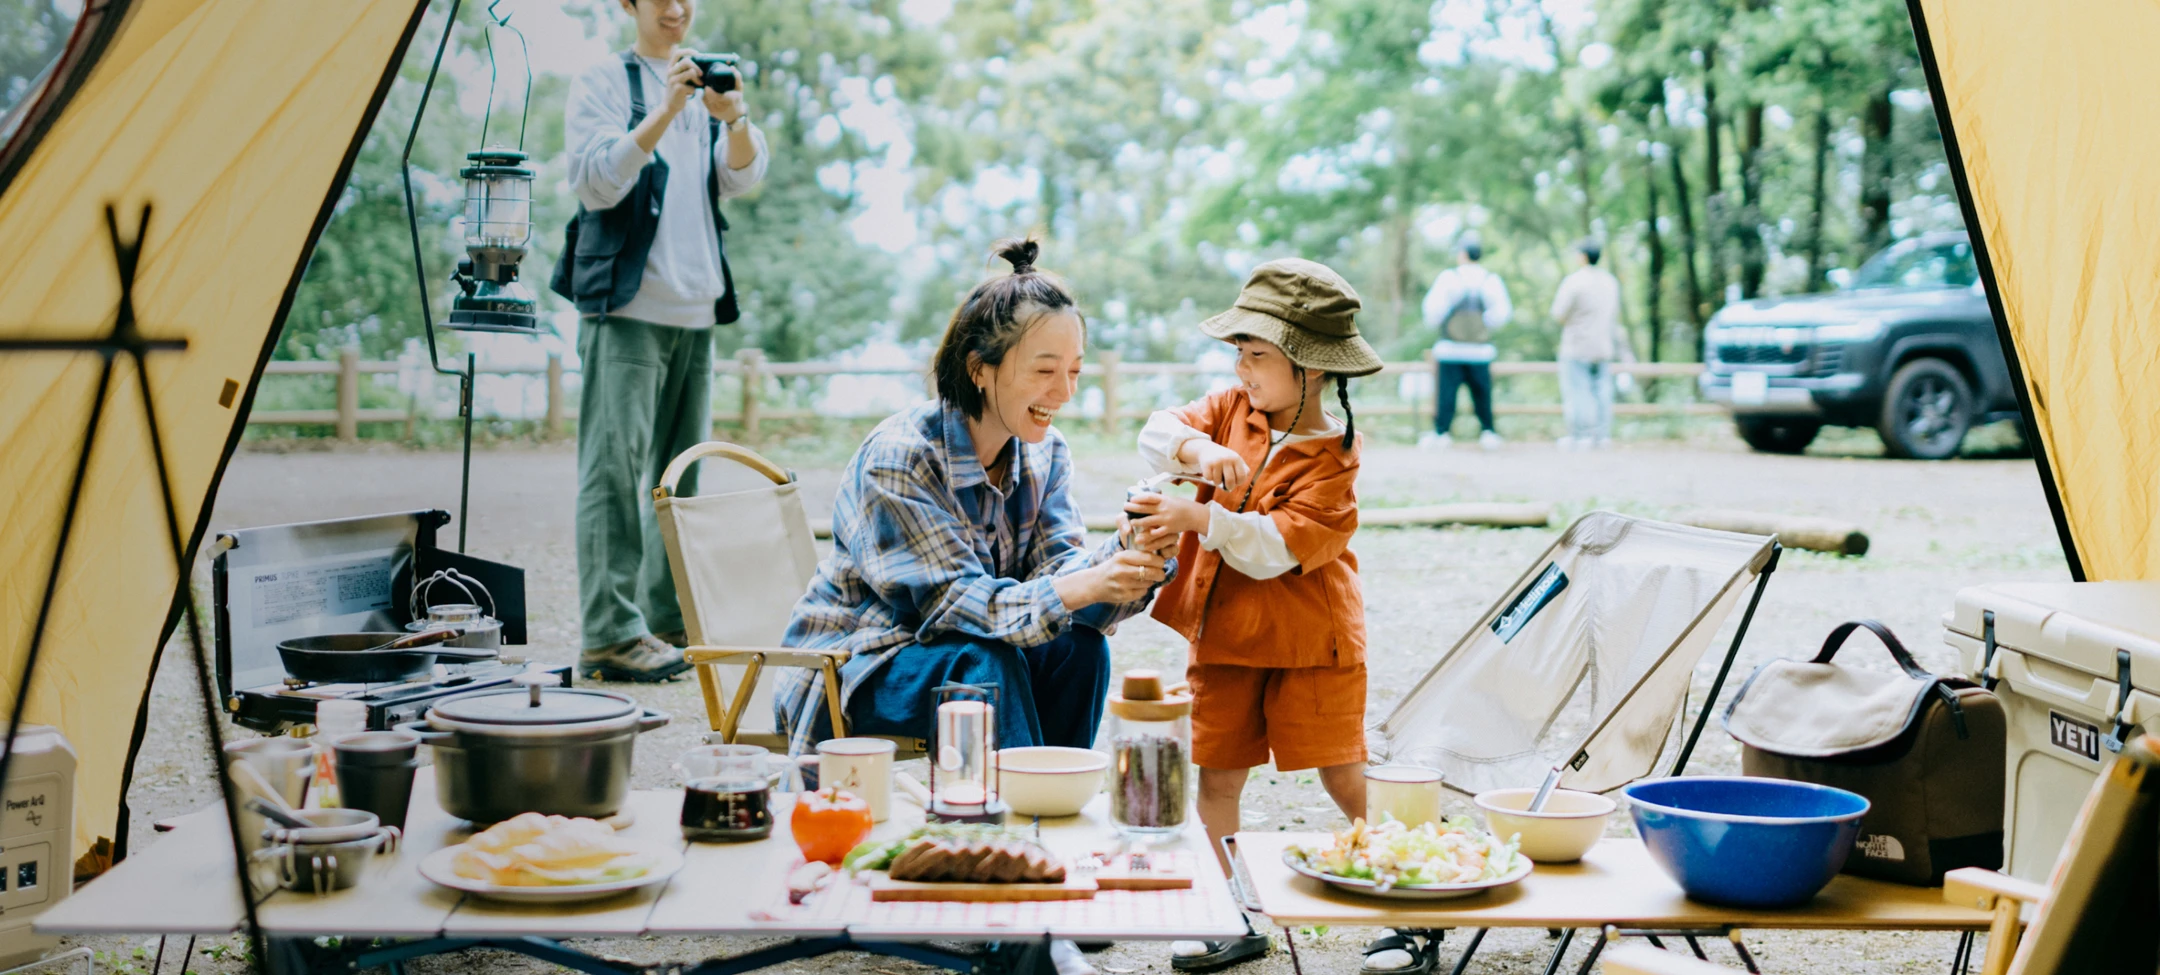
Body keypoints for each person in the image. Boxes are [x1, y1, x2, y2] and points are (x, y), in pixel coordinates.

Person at [773, 238, 1169, 761]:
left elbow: (1060, 574)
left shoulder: (1044, 453)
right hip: (859, 665)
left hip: (969, 651)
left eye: (1074, 371)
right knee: (985, 662)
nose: (1066, 392)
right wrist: (1089, 582)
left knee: (1080, 649)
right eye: (1045, 371)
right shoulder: (901, 458)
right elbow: (957, 607)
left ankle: (1049, 813)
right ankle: (1007, 828)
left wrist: (1128, 552)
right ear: (979, 368)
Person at [1125, 259, 1378, 973]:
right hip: (1228, 633)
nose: (1243, 366)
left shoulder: (1336, 464)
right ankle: (1224, 909)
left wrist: (1196, 513)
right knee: (1219, 772)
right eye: (1238, 351)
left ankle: (1410, 898)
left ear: (1311, 368)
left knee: (1342, 772)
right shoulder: (1232, 409)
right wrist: (1196, 449)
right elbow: (1156, 429)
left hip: (1313, 643)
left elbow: (1272, 549)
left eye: (1258, 354)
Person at [557, 0, 769, 680]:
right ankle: (609, 635)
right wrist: (666, 110)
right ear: (629, 5)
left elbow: (742, 175)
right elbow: (593, 183)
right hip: (627, 305)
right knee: (613, 474)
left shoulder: (706, 79)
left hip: (696, 305)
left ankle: (667, 618)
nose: (677, 9)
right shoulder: (603, 81)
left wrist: (731, 117)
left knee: (682, 481)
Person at [1419, 238, 1512, 450]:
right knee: (1482, 393)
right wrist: (1484, 325)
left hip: (1450, 348)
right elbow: (1502, 313)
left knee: (1447, 393)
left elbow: (1433, 311)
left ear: (1462, 254)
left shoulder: (1449, 278)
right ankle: (1488, 431)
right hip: (1480, 350)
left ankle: (1442, 433)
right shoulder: (1490, 280)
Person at [1550, 238, 1630, 450]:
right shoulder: (1610, 282)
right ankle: (1602, 435)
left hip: (1577, 346)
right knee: (1602, 391)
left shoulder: (1574, 281)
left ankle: (1581, 435)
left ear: (1583, 257)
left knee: (1578, 391)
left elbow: (1558, 313)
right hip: (1604, 345)